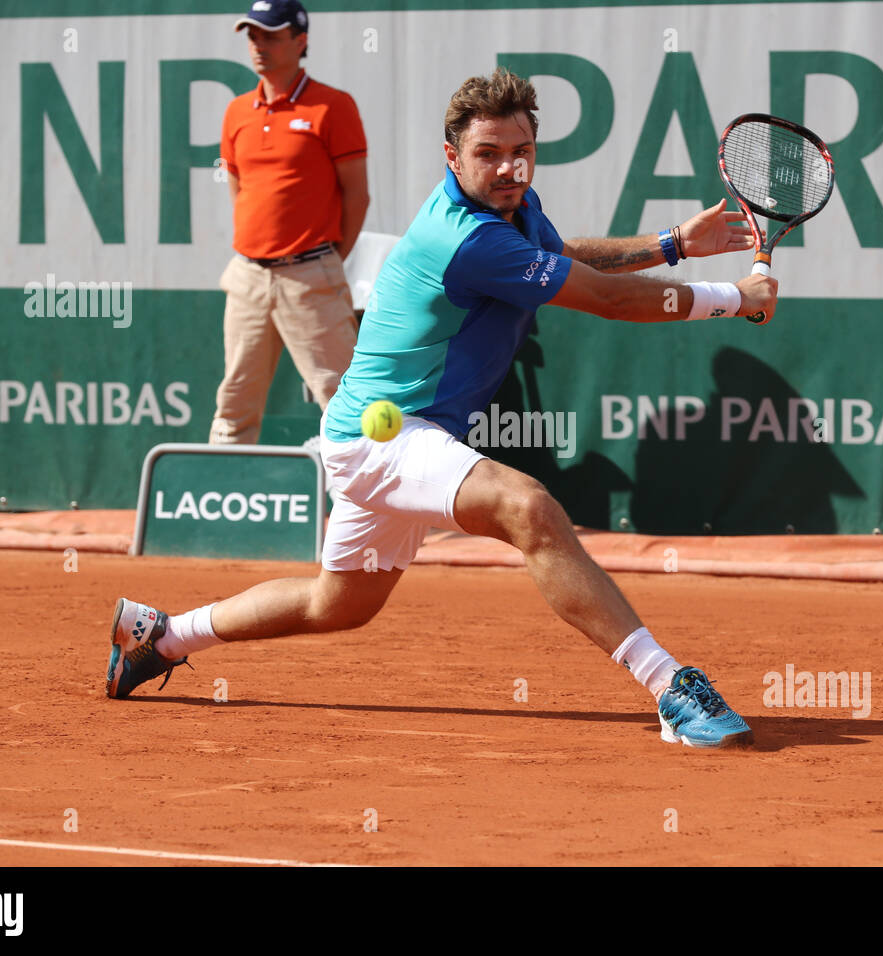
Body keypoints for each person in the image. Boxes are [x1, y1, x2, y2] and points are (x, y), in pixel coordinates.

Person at [108, 68, 778, 749]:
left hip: (387, 438)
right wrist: (735, 296)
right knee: (530, 508)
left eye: (520, 150)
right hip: (383, 438)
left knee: (335, 606)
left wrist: (672, 246)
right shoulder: (467, 238)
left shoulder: (511, 211)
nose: (508, 166)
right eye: (488, 153)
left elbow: (559, 255)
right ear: (453, 158)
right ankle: (670, 687)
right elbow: (607, 300)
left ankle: (159, 637)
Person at [209, 0, 369, 445]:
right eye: (252, 35)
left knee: (346, 402)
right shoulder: (237, 111)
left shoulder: (333, 106)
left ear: (301, 42)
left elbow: (357, 195)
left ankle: (375, 512)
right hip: (247, 276)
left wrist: (323, 261)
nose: (258, 45)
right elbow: (238, 188)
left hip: (311, 275)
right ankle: (222, 506)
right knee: (235, 402)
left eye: (271, 35)